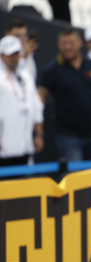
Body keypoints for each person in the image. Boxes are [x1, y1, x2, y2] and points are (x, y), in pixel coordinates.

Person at [38, 26, 91, 161]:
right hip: (68, 136)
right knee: (74, 178)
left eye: (71, 43)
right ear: (58, 45)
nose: (67, 47)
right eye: (64, 44)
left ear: (80, 42)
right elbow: (39, 96)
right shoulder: (52, 70)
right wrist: (38, 128)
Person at [0, 35, 44, 166]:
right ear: (1, 55)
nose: (14, 58)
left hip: (26, 147)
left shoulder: (25, 74)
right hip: (4, 150)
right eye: (10, 54)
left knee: (26, 184)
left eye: (16, 53)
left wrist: (39, 134)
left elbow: (36, 106)